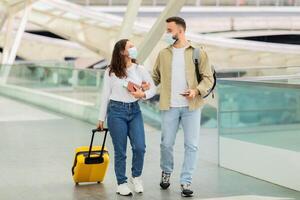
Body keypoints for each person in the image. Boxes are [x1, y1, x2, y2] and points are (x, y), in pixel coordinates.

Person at [152, 16, 214, 197]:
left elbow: (208, 78)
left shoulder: (198, 52)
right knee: (166, 144)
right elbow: (155, 77)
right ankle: (166, 171)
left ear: (180, 30)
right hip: (169, 106)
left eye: (169, 30)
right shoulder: (163, 54)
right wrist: (143, 86)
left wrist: (196, 91)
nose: (167, 33)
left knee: (191, 145)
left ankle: (186, 181)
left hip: (191, 107)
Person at [97, 39, 156, 196]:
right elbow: (105, 96)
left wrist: (142, 94)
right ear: (122, 51)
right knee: (120, 151)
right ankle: (121, 183)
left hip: (135, 111)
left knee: (140, 147)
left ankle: (136, 177)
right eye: (130, 46)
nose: (134, 48)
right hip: (116, 112)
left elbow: (153, 89)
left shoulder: (139, 69)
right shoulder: (110, 71)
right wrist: (101, 118)